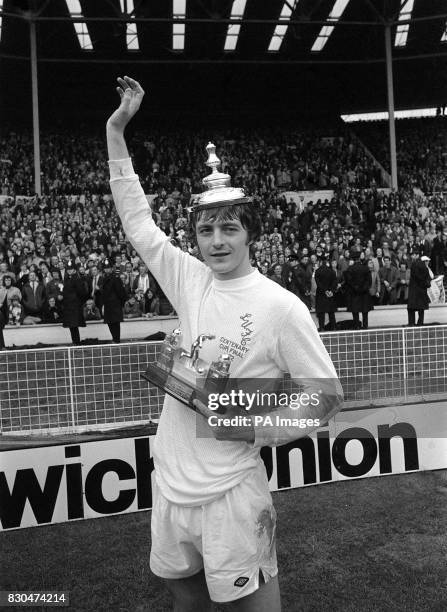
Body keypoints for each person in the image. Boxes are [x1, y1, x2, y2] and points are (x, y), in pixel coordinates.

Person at [106, 76, 343, 612]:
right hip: (169, 481)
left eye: (230, 228)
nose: (217, 241)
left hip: (232, 493)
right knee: (185, 600)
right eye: (207, 231)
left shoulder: (282, 306)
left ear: (249, 232)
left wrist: (249, 419)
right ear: (196, 236)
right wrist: (116, 131)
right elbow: (139, 224)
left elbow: (324, 396)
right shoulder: (190, 280)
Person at [62, 259, 89, 345]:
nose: (69, 270)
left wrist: (77, 301)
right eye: (68, 269)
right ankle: (75, 342)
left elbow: (82, 293)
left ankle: (76, 342)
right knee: (72, 326)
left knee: (74, 325)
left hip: (74, 306)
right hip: (69, 306)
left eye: (71, 269)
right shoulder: (67, 279)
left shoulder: (77, 279)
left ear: (74, 270)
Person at [101, 258, 127, 343]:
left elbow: (120, 292)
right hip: (108, 304)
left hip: (115, 304)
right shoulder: (104, 278)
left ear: (112, 268)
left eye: (108, 268)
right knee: (110, 322)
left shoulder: (116, 278)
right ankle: (114, 338)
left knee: (115, 322)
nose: (106, 269)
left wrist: (120, 303)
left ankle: (116, 339)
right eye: (105, 268)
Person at [345, 253, 372, 330]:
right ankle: (365, 326)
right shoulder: (366, 268)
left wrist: (356, 288)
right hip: (364, 293)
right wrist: (363, 288)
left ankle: (356, 326)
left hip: (354, 293)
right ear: (360, 258)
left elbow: (349, 281)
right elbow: (369, 281)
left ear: (353, 259)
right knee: (365, 311)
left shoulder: (350, 269)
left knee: (355, 311)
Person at [407, 255, 432, 326]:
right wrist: (427, 284)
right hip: (421, 291)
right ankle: (420, 323)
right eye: (427, 261)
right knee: (421, 309)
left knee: (411, 309)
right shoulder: (425, 269)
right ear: (425, 261)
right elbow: (427, 281)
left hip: (413, 292)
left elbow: (414, 277)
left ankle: (411, 324)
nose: (428, 263)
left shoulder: (413, 265)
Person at [314, 256, 337, 331]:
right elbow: (334, 282)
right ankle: (333, 327)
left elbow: (318, 284)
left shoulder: (317, 271)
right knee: (331, 312)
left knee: (321, 313)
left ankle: (322, 327)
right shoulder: (332, 271)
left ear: (320, 262)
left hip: (321, 294)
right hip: (330, 294)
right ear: (327, 262)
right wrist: (331, 291)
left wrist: (325, 291)